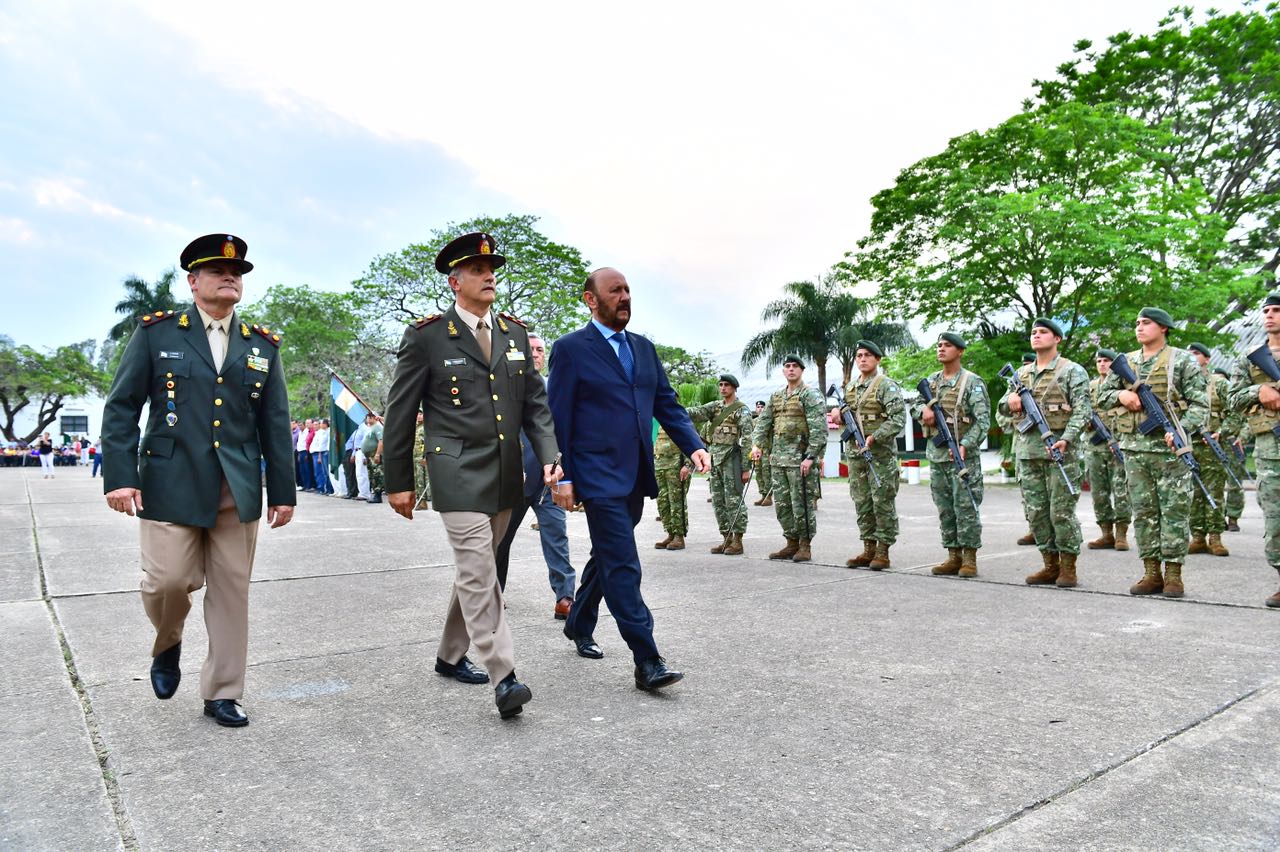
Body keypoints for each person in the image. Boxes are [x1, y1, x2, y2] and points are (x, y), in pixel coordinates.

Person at [100, 233, 295, 727]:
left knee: (232, 591)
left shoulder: (261, 346)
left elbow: (274, 423)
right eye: (217, 271)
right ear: (194, 281)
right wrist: (120, 477)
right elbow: (122, 407)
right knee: (168, 583)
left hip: (239, 488)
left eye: (238, 273)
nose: (231, 277)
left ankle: (222, 692)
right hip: (170, 481)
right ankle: (168, 641)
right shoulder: (158, 334)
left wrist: (285, 493)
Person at [382, 232, 559, 719]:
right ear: (454, 280)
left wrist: (548, 453)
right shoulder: (427, 337)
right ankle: (505, 676)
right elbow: (400, 414)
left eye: (492, 268)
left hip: (505, 473)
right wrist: (398, 482)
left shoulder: (514, 333)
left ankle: (449, 655)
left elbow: (536, 406)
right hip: (456, 469)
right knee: (481, 571)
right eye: (478, 269)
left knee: (478, 568)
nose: (489, 275)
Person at [549, 267, 710, 692]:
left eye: (627, 290)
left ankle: (579, 623)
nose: (624, 297)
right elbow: (557, 416)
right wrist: (561, 472)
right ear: (590, 300)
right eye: (614, 291)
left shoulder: (643, 348)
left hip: (636, 474)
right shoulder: (570, 349)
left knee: (609, 555)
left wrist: (692, 443)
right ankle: (647, 659)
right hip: (596, 475)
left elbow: (666, 403)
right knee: (623, 562)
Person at [1096, 307, 1208, 598]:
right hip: (1134, 449)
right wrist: (1122, 394)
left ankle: (1173, 575)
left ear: (1164, 328)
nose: (1140, 327)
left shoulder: (1182, 360)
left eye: (1147, 323)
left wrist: (1180, 430)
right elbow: (1103, 397)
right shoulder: (1126, 362)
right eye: (1137, 323)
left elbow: (1200, 405)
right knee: (1144, 513)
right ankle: (1151, 572)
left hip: (1171, 451)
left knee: (1174, 512)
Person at [999, 319, 1091, 588]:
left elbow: (1083, 410)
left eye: (1043, 332)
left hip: (1061, 450)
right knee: (1036, 513)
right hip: (1028, 452)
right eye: (1033, 332)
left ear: (1057, 339)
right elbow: (1004, 406)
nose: (1036, 336)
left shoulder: (1073, 371)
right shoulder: (1022, 373)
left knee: (1060, 512)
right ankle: (1049, 564)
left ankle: (1068, 567)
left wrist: (1067, 439)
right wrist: (1011, 401)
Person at [492, 333, 577, 619]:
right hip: (512, 481)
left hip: (548, 482)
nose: (537, 354)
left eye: (541, 349)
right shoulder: (504, 389)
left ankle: (565, 597)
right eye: (532, 350)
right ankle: (493, 594)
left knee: (557, 538)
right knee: (500, 542)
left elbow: (563, 433)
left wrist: (564, 475)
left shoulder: (555, 390)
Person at [909, 333, 990, 578]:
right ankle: (953, 555)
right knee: (944, 507)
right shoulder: (931, 382)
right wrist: (923, 411)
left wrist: (966, 443)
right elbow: (914, 406)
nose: (941, 349)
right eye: (939, 345)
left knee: (966, 505)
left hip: (963, 456)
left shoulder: (971, 382)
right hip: (937, 455)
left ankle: (969, 558)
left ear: (960, 351)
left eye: (948, 346)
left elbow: (983, 420)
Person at [1227, 293, 1280, 607]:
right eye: (1267, 311)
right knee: (1275, 520)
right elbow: (1234, 398)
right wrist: (1259, 389)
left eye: (1276, 310)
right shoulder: (1251, 356)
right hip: (1270, 452)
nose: (1270, 316)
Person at [835, 340, 906, 571]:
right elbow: (846, 414)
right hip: (856, 455)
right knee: (862, 501)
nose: (862, 359)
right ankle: (868, 549)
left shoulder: (886, 385)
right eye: (859, 356)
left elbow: (898, 419)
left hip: (880, 456)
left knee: (882, 502)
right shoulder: (851, 387)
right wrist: (837, 414)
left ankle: (883, 552)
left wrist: (876, 436)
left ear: (877, 359)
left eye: (867, 355)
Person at [751, 356, 827, 562]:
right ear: (784, 371)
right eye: (787, 367)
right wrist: (756, 445)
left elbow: (819, 430)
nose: (791, 369)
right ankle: (791, 542)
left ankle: (805, 545)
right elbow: (763, 423)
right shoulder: (776, 396)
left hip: (800, 460)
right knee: (783, 505)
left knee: (801, 504)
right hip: (778, 460)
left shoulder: (810, 395)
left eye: (795, 366)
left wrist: (811, 457)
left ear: (802, 370)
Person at [687, 374, 754, 555]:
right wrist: (671, 407)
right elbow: (696, 411)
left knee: (733, 500)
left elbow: (748, 439)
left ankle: (738, 541)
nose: (723, 388)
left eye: (727, 385)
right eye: (721, 385)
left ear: (734, 388)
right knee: (718, 501)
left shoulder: (742, 410)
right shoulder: (715, 407)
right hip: (715, 460)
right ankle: (726, 538)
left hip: (732, 459)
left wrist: (746, 468)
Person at [1186, 343, 1230, 557]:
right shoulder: (1182, 382)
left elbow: (1236, 410)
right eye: (1189, 354)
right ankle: (1197, 536)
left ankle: (1215, 536)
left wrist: (1222, 432)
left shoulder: (1218, 383)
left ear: (1207, 359)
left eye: (1196, 354)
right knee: (1193, 491)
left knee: (1214, 491)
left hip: (1212, 445)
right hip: (1188, 444)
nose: (1192, 357)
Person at [1085, 349, 1131, 551]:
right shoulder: (1089, 387)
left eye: (1107, 361)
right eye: (1099, 361)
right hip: (1094, 447)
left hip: (1118, 444)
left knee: (1121, 491)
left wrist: (1119, 440)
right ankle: (1106, 533)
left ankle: (1121, 535)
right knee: (1099, 492)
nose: (1102, 364)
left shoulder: (1123, 387)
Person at [653, 425, 691, 551]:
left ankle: (679, 536)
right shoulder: (659, 423)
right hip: (660, 466)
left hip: (675, 466)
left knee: (676, 502)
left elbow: (689, 442)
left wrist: (687, 465)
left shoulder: (678, 419)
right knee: (663, 502)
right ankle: (670, 533)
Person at [751, 400, 773, 506]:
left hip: (766, 450)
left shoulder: (769, 421)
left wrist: (772, 451)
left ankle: (769, 496)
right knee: (758, 473)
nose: (760, 408)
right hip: (756, 451)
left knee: (766, 473)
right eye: (758, 407)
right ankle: (763, 494)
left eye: (762, 407)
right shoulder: (753, 422)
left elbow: (772, 437)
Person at [360, 412, 384, 503]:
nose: (369, 419)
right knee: (372, 475)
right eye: (367, 417)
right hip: (369, 455)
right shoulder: (370, 428)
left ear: (375, 418)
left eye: (371, 417)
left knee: (377, 474)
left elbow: (381, 441)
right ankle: (375, 494)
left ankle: (378, 495)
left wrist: (378, 454)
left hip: (374, 454)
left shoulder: (377, 427)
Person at [311, 418, 333, 495]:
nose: (320, 425)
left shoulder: (329, 431)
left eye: (321, 423)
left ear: (325, 424)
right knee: (324, 472)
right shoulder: (321, 432)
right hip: (322, 452)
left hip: (327, 452)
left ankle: (330, 489)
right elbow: (320, 445)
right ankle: (326, 489)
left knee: (327, 471)